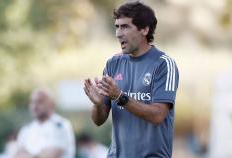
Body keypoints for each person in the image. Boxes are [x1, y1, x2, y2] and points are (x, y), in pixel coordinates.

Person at [83, 1, 179, 158]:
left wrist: (120, 97)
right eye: (117, 27)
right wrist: (98, 104)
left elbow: (158, 116)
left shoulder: (163, 64)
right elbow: (98, 120)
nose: (118, 33)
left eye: (125, 27)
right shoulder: (113, 64)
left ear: (144, 29)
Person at [14, 88, 75, 158]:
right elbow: (17, 154)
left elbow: (51, 155)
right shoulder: (26, 129)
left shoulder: (61, 126)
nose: (35, 106)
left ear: (52, 104)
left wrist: (27, 155)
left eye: (40, 101)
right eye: (32, 102)